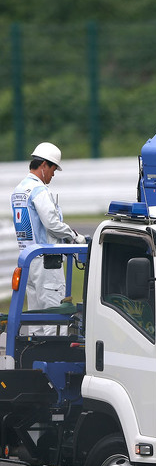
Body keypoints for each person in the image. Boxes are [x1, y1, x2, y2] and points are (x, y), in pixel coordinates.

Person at [10, 142, 86, 335]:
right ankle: (52, 361)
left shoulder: (19, 190)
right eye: (53, 169)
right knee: (54, 319)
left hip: (28, 261)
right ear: (44, 165)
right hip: (47, 263)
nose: (53, 174)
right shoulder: (39, 190)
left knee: (36, 319)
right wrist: (73, 236)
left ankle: (35, 358)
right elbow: (52, 223)